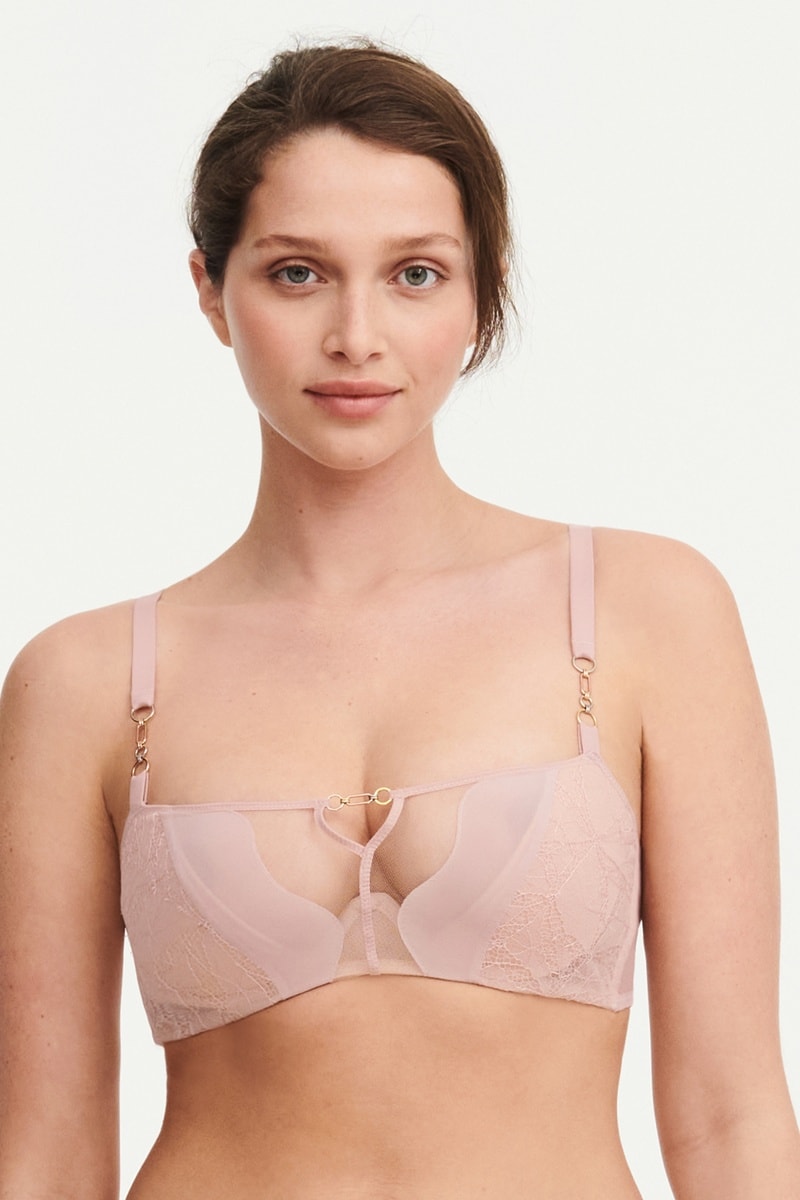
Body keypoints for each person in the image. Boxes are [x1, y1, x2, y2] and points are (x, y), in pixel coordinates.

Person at [1, 40, 798, 1200]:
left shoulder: (645, 613)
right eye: (297, 273)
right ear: (211, 290)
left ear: (480, 291)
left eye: (414, 274)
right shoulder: (84, 682)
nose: (356, 336)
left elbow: (731, 1121)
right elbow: (45, 1152)